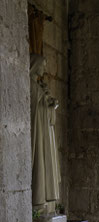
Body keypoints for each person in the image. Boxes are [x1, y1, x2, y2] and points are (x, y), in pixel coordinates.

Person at [30, 54, 60, 209]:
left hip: (44, 130)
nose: (43, 69)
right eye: (42, 65)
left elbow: (45, 110)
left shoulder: (39, 86)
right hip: (37, 131)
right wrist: (44, 98)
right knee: (39, 163)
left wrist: (50, 105)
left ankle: (44, 202)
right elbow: (33, 107)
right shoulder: (31, 85)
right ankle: (37, 201)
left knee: (45, 162)